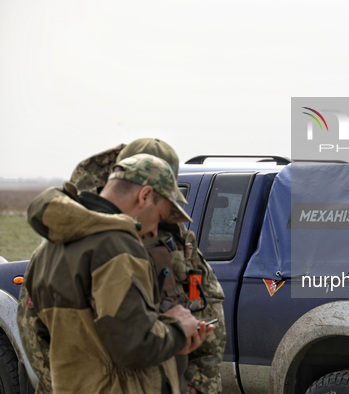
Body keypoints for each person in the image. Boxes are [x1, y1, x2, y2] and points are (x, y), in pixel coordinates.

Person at [17, 154, 214, 393]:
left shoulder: (47, 249)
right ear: (144, 196)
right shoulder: (116, 247)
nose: (154, 233)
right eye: (160, 218)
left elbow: (39, 332)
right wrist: (179, 329)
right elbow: (133, 343)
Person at [70, 138, 226, 394]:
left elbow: (207, 306)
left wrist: (200, 382)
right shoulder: (84, 236)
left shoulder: (177, 240)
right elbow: (44, 331)